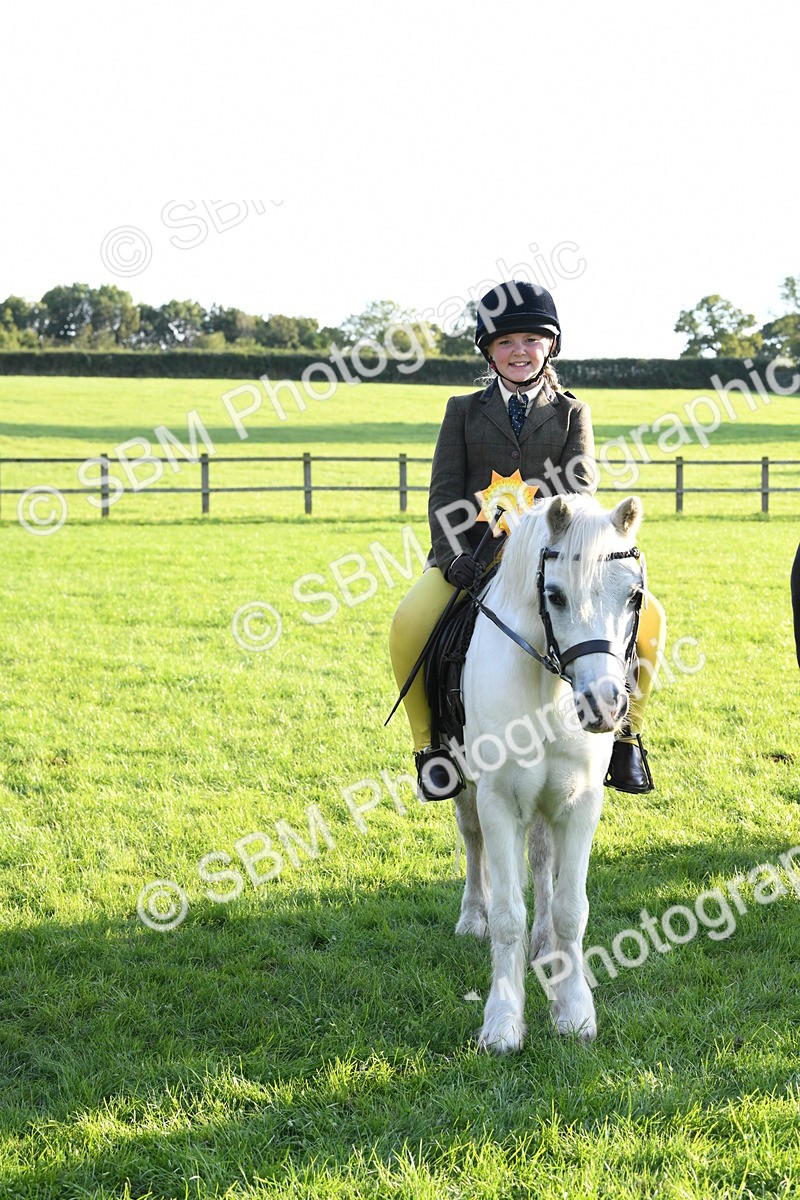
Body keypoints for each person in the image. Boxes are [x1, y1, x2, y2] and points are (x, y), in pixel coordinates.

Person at [389, 280, 666, 799]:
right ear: (489, 352)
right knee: (408, 624)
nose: (519, 352)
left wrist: (552, 549)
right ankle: (430, 748)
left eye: (531, 341)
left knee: (651, 620)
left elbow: (580, 494)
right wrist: (452, 559)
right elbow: (443, 493)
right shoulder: (462, 411)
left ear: (550, 347)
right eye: (506, 343)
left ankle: (628, 737)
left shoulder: (571, 414)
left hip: (551, 561)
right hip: (468, 557)